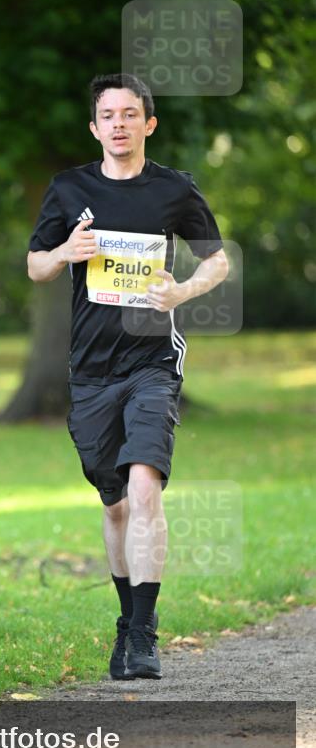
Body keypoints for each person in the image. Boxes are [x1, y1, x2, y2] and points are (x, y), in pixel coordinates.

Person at [26, 72, 229, 680]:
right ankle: (125, 621)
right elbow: (35, 265)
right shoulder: (68, 190)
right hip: (90, 369)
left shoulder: (173, 190)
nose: (119, 123)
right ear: (95, 127)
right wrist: (66, 253)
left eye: (130, 113)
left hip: (152, 361)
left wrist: (183, 290)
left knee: (145, 489)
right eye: (108, 115)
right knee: (114, 505)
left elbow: (217, 258)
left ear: (148, 123)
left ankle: (144, 635)